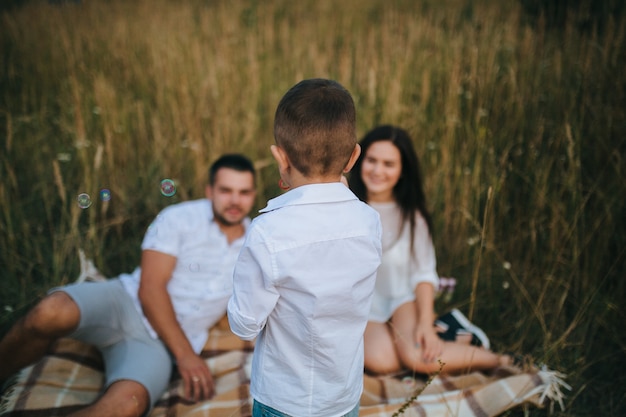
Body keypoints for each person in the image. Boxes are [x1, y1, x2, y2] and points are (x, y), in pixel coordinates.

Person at [0, 154, 257, 417]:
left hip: (156, 346)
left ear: (253, 194)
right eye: (226, 191)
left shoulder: (257, 243)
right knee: (50, 310)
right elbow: (150, 288)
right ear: (209, 190)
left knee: (125, 406)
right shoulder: (178, 218)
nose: (235, 201)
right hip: (124, 301)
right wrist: (186, 356)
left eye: (244, 192)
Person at [227, 79, 382, 417]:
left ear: (280, 158)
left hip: (284, 400)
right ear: (354, 156)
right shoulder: (369, 222)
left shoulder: (268, 231)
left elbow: (244, 324)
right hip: (343, 398)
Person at [348, 125, 512, 375]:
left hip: (401, 300)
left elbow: (424, 273)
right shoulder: (346, 206)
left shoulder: (412, 216)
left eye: (389, 164)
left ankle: (499, 360)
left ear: (402, 171)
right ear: (359, 160)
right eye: (372, 160)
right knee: (385, 363)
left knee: (418, 359)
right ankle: (454, 334)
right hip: (365, 305)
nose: (378, 171)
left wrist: (425, 324)